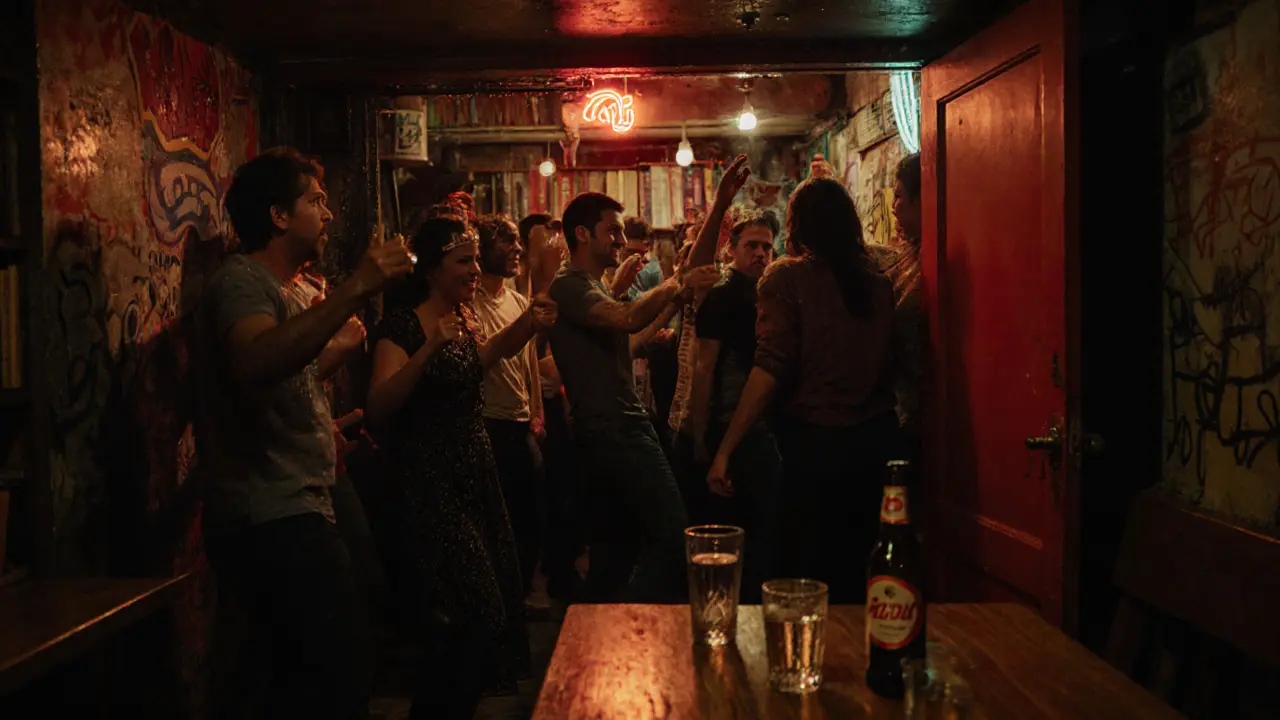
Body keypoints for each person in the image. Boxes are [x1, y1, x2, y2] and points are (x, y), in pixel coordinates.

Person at [194, 148, 414, 720]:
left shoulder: (286, 289)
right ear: (278, 215)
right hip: (269, 510)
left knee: (333, 654)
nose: (329, 214)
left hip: (302, 495)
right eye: (315, 201)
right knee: (330, 673)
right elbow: (256, 361)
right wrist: (357, 286)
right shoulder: (241, 282)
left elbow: (283, 380)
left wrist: (324, 426)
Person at [708, 177, 901, 604]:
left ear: (797, 226)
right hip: (877, 444)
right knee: (861, 573)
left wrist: (725, 448)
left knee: (806, 578)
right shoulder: (877, 283)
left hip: (817, 448)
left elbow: (768, 369)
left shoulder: (787, 278)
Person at [545, 191, 721, 603]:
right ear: (582, 233)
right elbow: (626, 318)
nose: (621, 241)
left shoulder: (593, 285)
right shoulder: (568, 284)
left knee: (616, 549)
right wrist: (678, 282)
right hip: (615, 428)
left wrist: (673, 299)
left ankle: (599, 629)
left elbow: (630, 341)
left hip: (611, 426)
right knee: (673, 535)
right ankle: (632, 620)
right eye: (613, 231)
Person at [688, 208, 784, 602]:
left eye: (766, 247)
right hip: (730, 426)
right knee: (734, 537)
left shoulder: (774, 296)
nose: (760, 253)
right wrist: (700, 436)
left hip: (766, 428)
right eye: (751, 246)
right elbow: (703, 369)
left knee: (763, 537)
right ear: (732, 250)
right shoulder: (722, 298)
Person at [472, 214, 546, 607]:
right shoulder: (470, 303)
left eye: (518, 241)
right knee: (494, 521)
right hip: (488, 423)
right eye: (507, 242)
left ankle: (519, 594)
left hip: (521, 423)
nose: (517, 249)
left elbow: (529, 361)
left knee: (530, 517)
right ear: (482, 250)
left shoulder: (517, 301)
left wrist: (537, 411)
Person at [873, 152, 924, 460]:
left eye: (900, 197)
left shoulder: (932, 257)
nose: (893, 207)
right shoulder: (908, 253)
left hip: (921, 412)